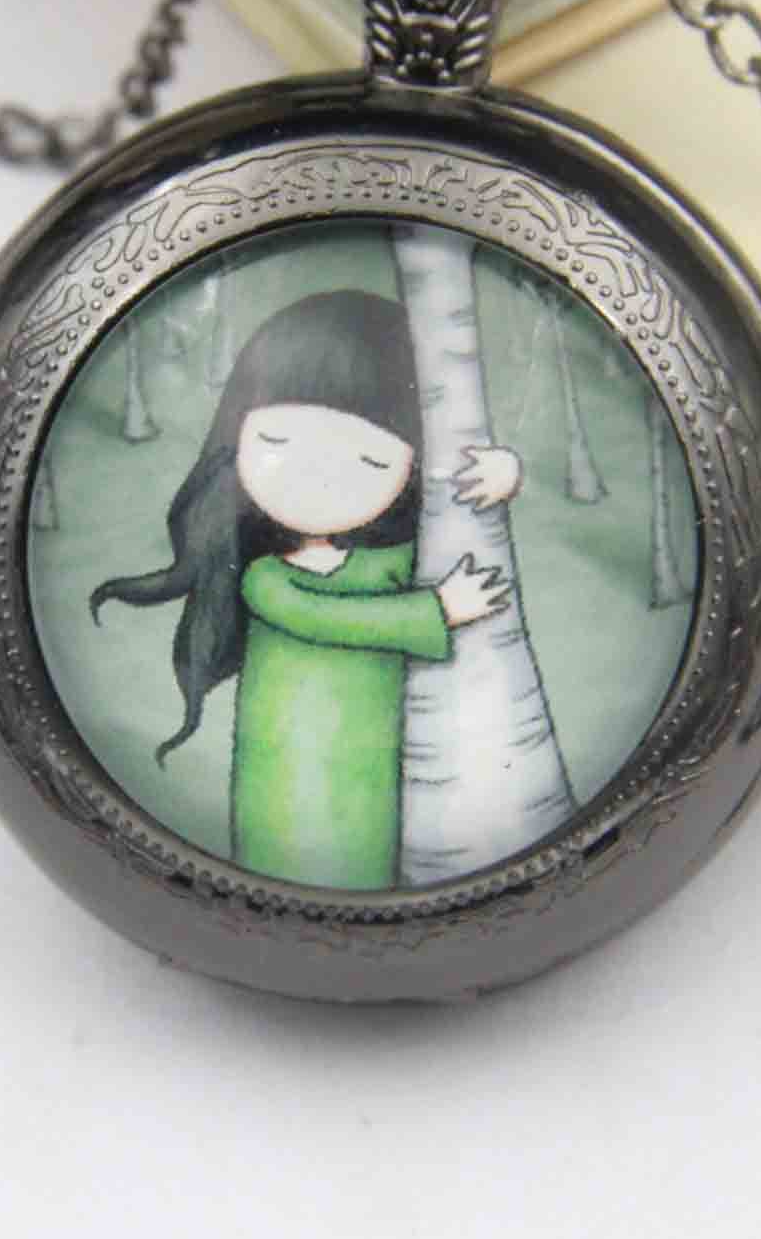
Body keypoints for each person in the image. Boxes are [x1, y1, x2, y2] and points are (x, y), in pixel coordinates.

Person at [92, 289, 521, 890]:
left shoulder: (386, 562)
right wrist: (437, 611)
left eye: (370, 462)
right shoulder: (268, 579)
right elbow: (328, 617)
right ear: (236, 439)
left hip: (370, 757)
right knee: (292, 852)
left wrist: (502, 478)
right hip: (287, 760)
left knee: (368, 843)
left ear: (411, 466)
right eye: (276, 445)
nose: (318, 479)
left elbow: (453, 541)